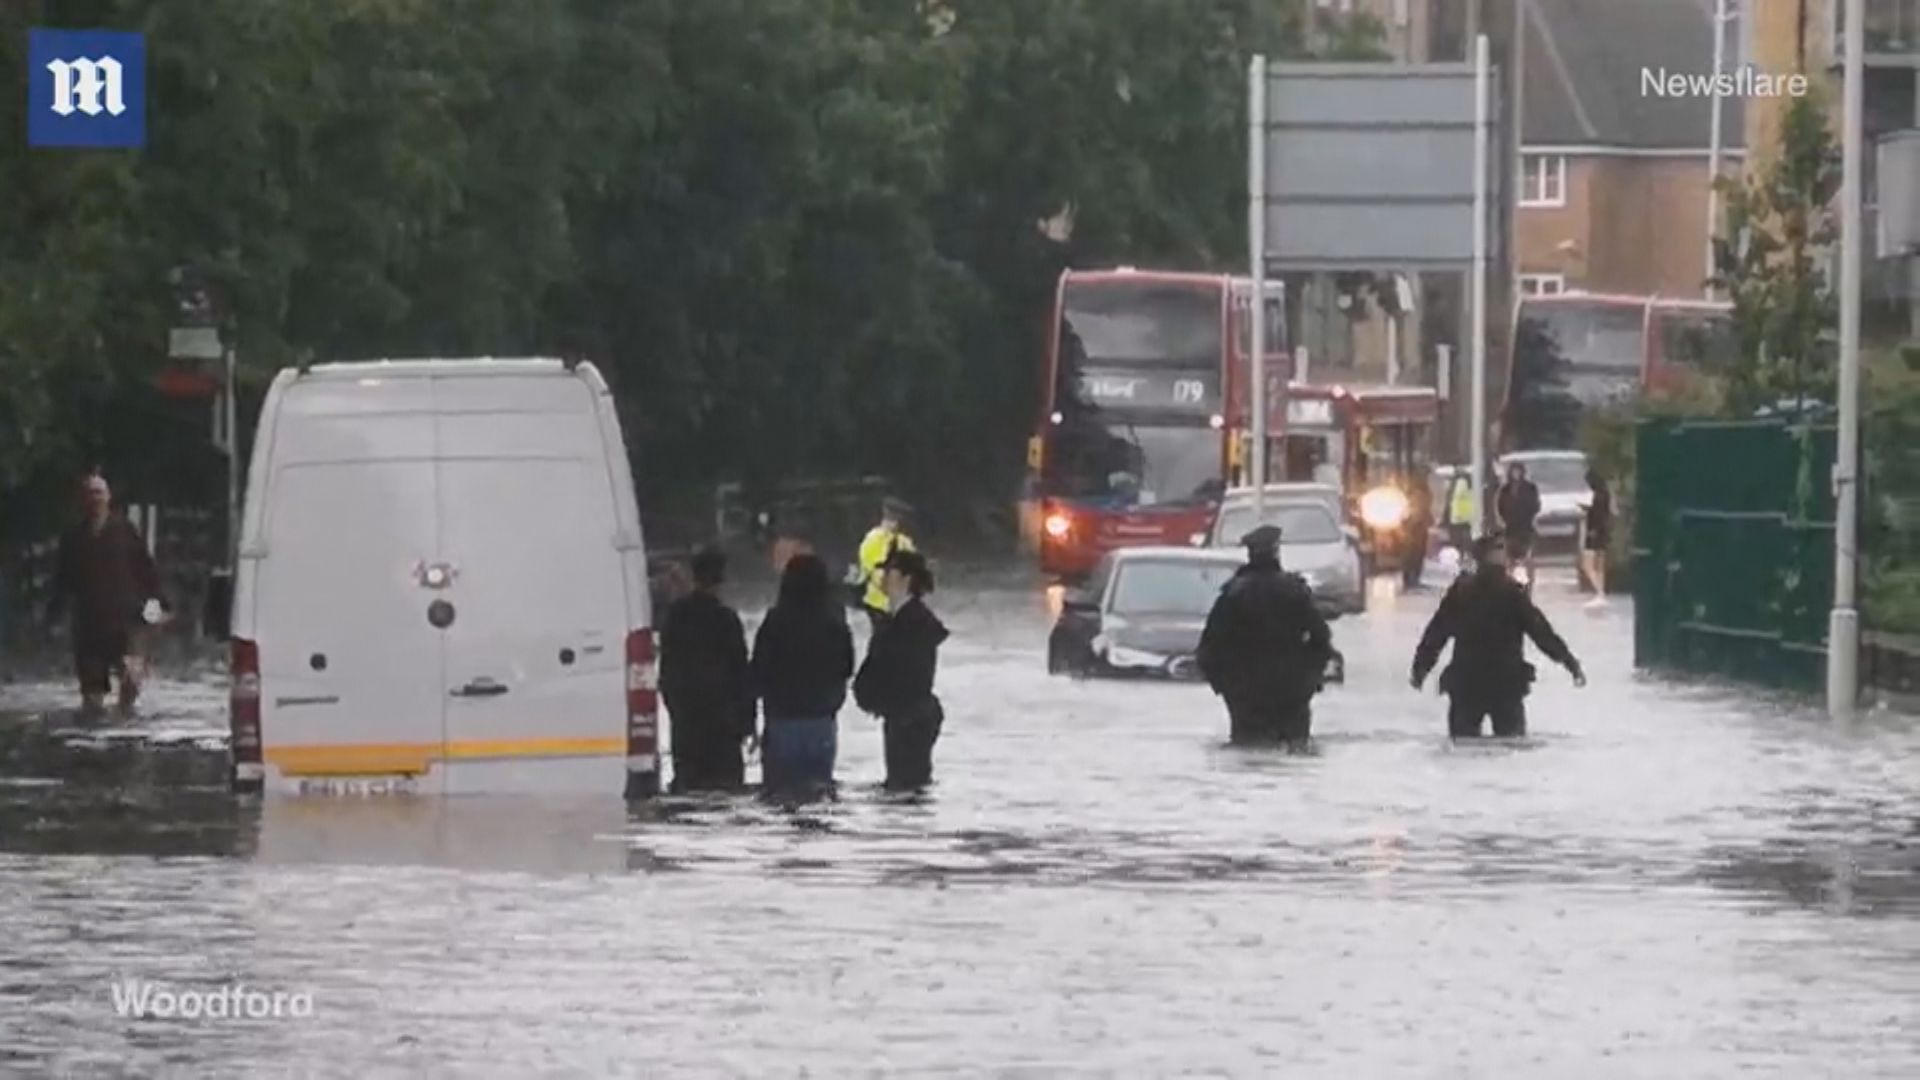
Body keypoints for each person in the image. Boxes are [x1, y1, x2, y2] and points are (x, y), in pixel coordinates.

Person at [1410, 534, 1586, 738]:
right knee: (1510, 744)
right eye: (1500, 551)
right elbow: (1542, 634)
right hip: (1504, 684)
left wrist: (1420, 669)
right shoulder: (1511, 594)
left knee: (1462, 747)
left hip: (1469, 682)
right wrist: (1570, 664)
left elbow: (1436, 634)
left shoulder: (1461, 593)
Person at [1196, 525, 1336, 746]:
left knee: (1249, 749)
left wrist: (1224, 686)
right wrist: (1310, 679)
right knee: (1294, 751)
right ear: (1276, 552)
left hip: (1246, 696)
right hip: (1291, 693)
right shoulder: (1294, 591)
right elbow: (1321, 638)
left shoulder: (1233, 594)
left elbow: (1210, 647)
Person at [48, 473, 164, 714]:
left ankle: (126, 716)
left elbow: (146, 569)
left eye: (99, 493)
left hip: (125, 620)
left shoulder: (124, 531)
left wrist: (159, 603)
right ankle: (93, 728)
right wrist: (53, 617)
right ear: (82, 500)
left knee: (131, 679)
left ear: (109, 497)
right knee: (92, 697)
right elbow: (62, 580)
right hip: (89, 625)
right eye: (90, 494)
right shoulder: (73, 538)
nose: (95, 499)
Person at [750, 553, 855, 798]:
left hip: (782, 722)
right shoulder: (834, 621)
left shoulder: (776, 621)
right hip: (821, 723)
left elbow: (758, 671)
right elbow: (847, 666)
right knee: (819, 796)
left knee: (780, 799)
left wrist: (749, 717)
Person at [659, 548, 755, 793]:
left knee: (689, 789)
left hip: (687, 723)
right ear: (721, 580)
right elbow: (742, 674)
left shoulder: (676, 617)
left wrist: (674, 708)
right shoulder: (727, 620)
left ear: (693, 576)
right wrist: (748, 723)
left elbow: (667, 670)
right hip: (723, 725)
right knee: (726, 792)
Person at [853, 549, 949, 790]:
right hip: (904, 715)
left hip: (909, 718)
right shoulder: (900, 620)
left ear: (906, 579)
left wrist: (879, 698)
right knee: (904, 785)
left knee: (906, 786)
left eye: (889, 571)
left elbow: (905, 672)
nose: (883, 576)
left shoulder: (913, 622)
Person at [856, 498, 916, 633]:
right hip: (878, 600)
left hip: (896, 600)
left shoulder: (903, 542)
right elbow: (869, 565)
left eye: (895, 520)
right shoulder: (874, 538)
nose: (893, 523)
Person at [1495, 461, 1542, 585]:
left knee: (1529, 557)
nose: (1516, 474)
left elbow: (1536, 505)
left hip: (1526, 527)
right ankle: (1508, 583)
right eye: (1514, 471)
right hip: (1510, 528)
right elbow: (1500, 506)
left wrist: (1529, 515)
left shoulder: (1530, 488)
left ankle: (1530, 582)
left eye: (1518, 471)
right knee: (1508, 558)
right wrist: (1503, 520)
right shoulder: (1505, 490)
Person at [1581, 468, 1613, 608]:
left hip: (1594, 533)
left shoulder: (1598, 496)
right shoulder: (1605, 494)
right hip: (1603, 532)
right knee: (1599, 565)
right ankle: (1600, 593)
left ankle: (1599, 591)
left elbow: (1597, 515)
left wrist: (1588, 514)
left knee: (1588, 565)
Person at [1402, 473, 1433, 591]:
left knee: (1416, 554)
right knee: (1412, 554)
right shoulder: (1419, 494)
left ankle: (1412, 580)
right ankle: (1410, 580)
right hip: (1414, 527)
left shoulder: (1421, 493)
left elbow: (1425, 509)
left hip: (1417, 527)